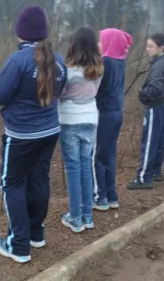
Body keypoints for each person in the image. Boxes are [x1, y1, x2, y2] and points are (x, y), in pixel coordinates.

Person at [0, 5, 66, 264]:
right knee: (39, 180)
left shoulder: (18, 61)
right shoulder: (58, 60)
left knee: (12, 184)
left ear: (20, 34)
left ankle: (18, 245)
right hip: (50, 131)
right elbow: (59, 89)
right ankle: (36, 233)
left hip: (22, 135)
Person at [58, 27, 103, 233]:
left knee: (73, 170)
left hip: (69, 121)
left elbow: (61, 95)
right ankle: (88, 216)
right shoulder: (98, 68)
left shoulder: (68, 70)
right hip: (91, 119)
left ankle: (75, 217)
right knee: (86, 167)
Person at [127, 33, 164, 190]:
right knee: (159, 139)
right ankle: (155, 171)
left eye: (150, 46)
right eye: (147, 46)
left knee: (149, 142)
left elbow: (154, 89)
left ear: (161, 48)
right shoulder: (162, 61)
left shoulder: (159, 66)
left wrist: (141, 91)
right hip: (161, 105)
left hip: (155, 106)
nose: (147, 49)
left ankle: (143, 177)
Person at [93, 28, 132, 210]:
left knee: (99, 155)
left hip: (104, 113)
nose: (99, 45)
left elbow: (96, 88)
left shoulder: (106, 62)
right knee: (109, 154)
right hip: (116, 113)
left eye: (102, 41)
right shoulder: (120, 62)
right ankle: (111, 195)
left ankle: (100, 197)